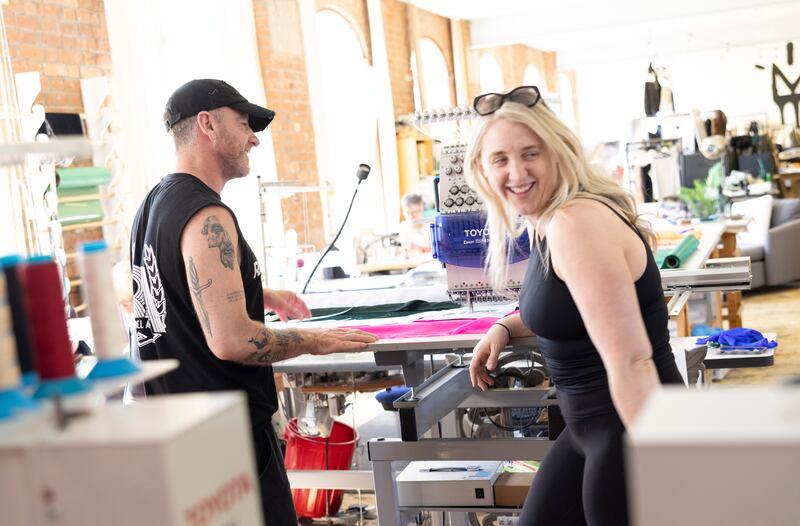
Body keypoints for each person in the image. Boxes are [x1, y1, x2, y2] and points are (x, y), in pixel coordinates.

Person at [130, 79, 378, 526]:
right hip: (230, 444)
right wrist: (315, 340)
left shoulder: (153, 205)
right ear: (207, 124)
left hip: (182, 439)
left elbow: (166, 290)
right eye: (244, 124)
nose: (254, 138)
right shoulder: (208, 216)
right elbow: (231, 341)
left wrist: (259, 293)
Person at [465, 85, 684, 526]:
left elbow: (633, 361)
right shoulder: (548, 221)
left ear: (558, 153)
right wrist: (506, 328)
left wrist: (663, 463)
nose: (517, 172)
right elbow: (572, 309)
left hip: (628, 426)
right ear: (482, 170)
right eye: (500, 159)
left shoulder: (574, 223)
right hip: (589, 429)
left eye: (531, 154)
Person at [397, 192, 432, 258]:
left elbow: (436, 251)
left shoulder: (430, 225)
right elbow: (404, 251)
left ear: (421, 209)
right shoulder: (403, 227)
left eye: (414, 212)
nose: (411, 216)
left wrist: (419, 248)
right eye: (407, 213)